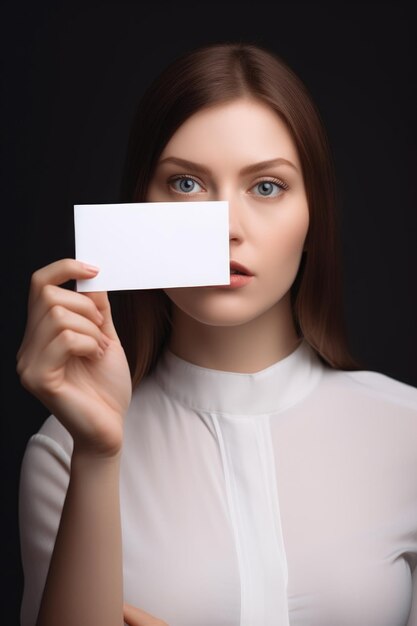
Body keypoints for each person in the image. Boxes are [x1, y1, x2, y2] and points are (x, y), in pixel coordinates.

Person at [17, 42, 417, 626]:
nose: (227, 226)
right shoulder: (65, 452)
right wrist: (99, 455)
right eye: (185, 185)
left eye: (266, 187)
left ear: (315, 216)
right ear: (140, 206)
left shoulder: (407, 431)